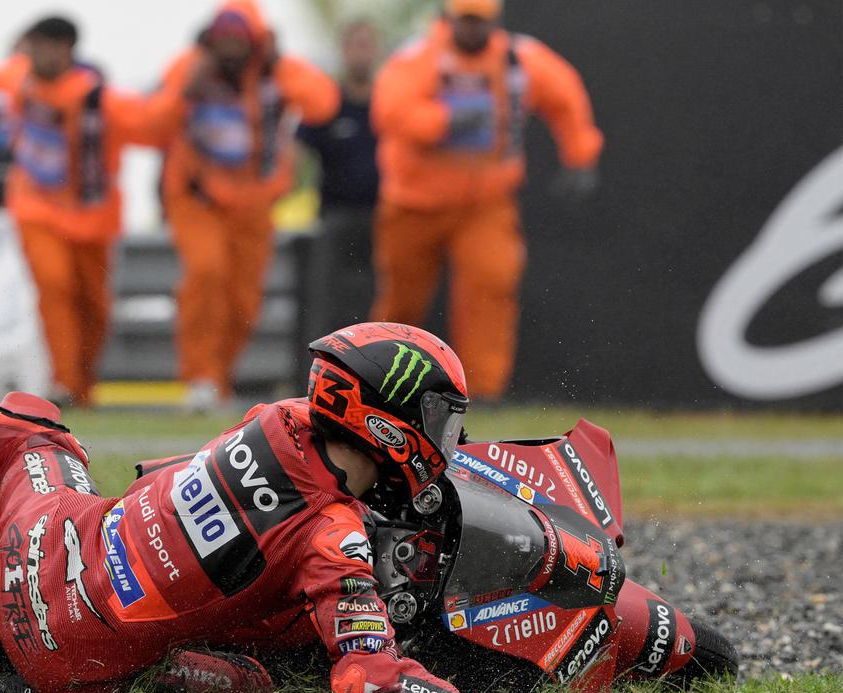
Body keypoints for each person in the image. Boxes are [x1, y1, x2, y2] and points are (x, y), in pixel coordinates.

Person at [0, 321, 637, 693]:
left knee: (29, 430)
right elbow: (370, 683)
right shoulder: (335, 546)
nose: (445, 439)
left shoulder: (275, 423)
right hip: (67, 665)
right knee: (262, 683)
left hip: (47, 539)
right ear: (387, 421)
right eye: (440, 421)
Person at [370, 0, 603, 400]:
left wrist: (580, 154)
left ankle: (482, 393)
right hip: (414, 204)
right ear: (448, 20)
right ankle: (378, 383)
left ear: (495, 21)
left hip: (486, 205)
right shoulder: (420, 56)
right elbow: (390, 110)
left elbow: (565, 96)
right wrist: (445, 121)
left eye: (481, 22)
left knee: (491, 286)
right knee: (402, 300)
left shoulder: (518, 60)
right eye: (466, 21)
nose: (473, 30)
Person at [149, 0, 340, 412]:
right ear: (210, 41)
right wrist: (188, 86)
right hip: (198, 196)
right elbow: (154, 122)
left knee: (244, 299)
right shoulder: (190, 66)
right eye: (225, 40)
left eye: (241, 40)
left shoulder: (274, 72)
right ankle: (199, 376)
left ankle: (219, 378)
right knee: (206, 273)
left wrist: (280, 66)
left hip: (253, 203)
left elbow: (323, 103)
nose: (232, 49)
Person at [0, 16, 170, 407]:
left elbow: (151, 125)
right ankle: (63, 381)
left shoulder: (99, 98)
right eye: (29, 47)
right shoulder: (20, 82)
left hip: (92, 220)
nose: (32, 55)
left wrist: (179, 95)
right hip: (36, 208)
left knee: (94, 305)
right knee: (55, 287)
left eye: (41, 47)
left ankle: (81, 386)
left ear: (65, 49)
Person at [296, 19, 382, 348]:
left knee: (379, 303)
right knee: (327, 302)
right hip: (335, 215)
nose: (361, 53)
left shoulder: (390, 102)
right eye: (354, 45)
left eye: (367, 44)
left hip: (384, 217)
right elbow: (298, 154)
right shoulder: (327, 101)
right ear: (343, 52)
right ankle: (322, 374)